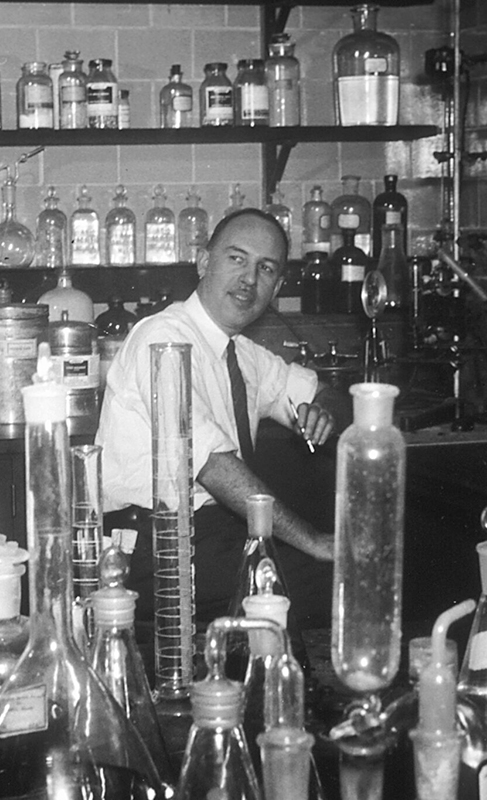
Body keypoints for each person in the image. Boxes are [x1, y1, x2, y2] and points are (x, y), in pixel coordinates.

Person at [97, 208, 339, 631]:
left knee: (349, 570)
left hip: (216, 540)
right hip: (155, 551)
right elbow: (213, 466)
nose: (249, 279)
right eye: (236, 258)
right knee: (338, 578)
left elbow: (321, 391)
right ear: (204, 262)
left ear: (278, 286)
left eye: (266, 269)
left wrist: (324, 410)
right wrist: (314, 542)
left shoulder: (242, 354)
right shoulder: (163, 338)